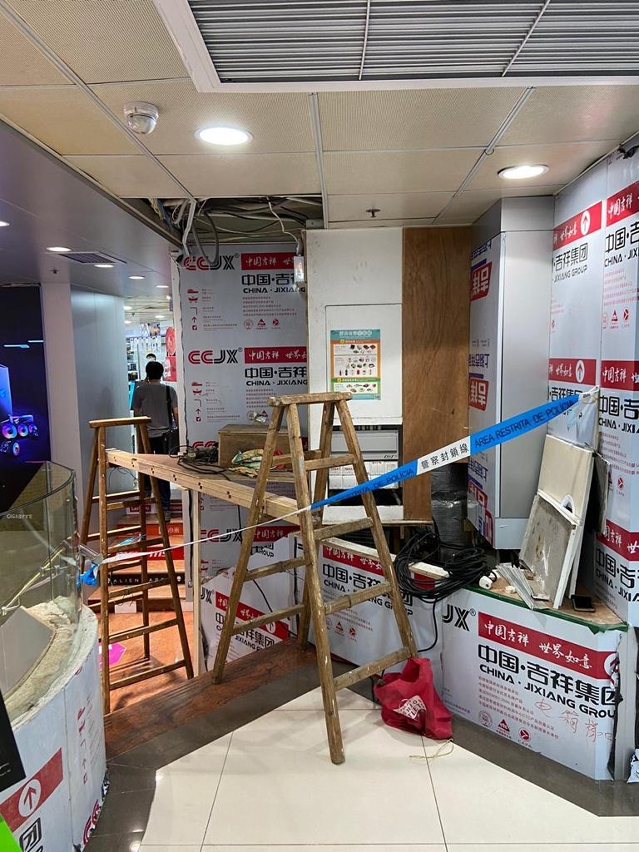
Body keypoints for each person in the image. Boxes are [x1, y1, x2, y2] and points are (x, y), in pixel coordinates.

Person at [131, 360, 178, 521]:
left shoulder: (139, 390)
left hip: (146, 436)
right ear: (161, 373)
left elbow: (136, 413)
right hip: (165, 436)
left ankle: (145, 499)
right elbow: (176, 413)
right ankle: (165, 509)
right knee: (163, 471)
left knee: (145, 467)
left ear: (147, 373)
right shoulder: (169, 390)